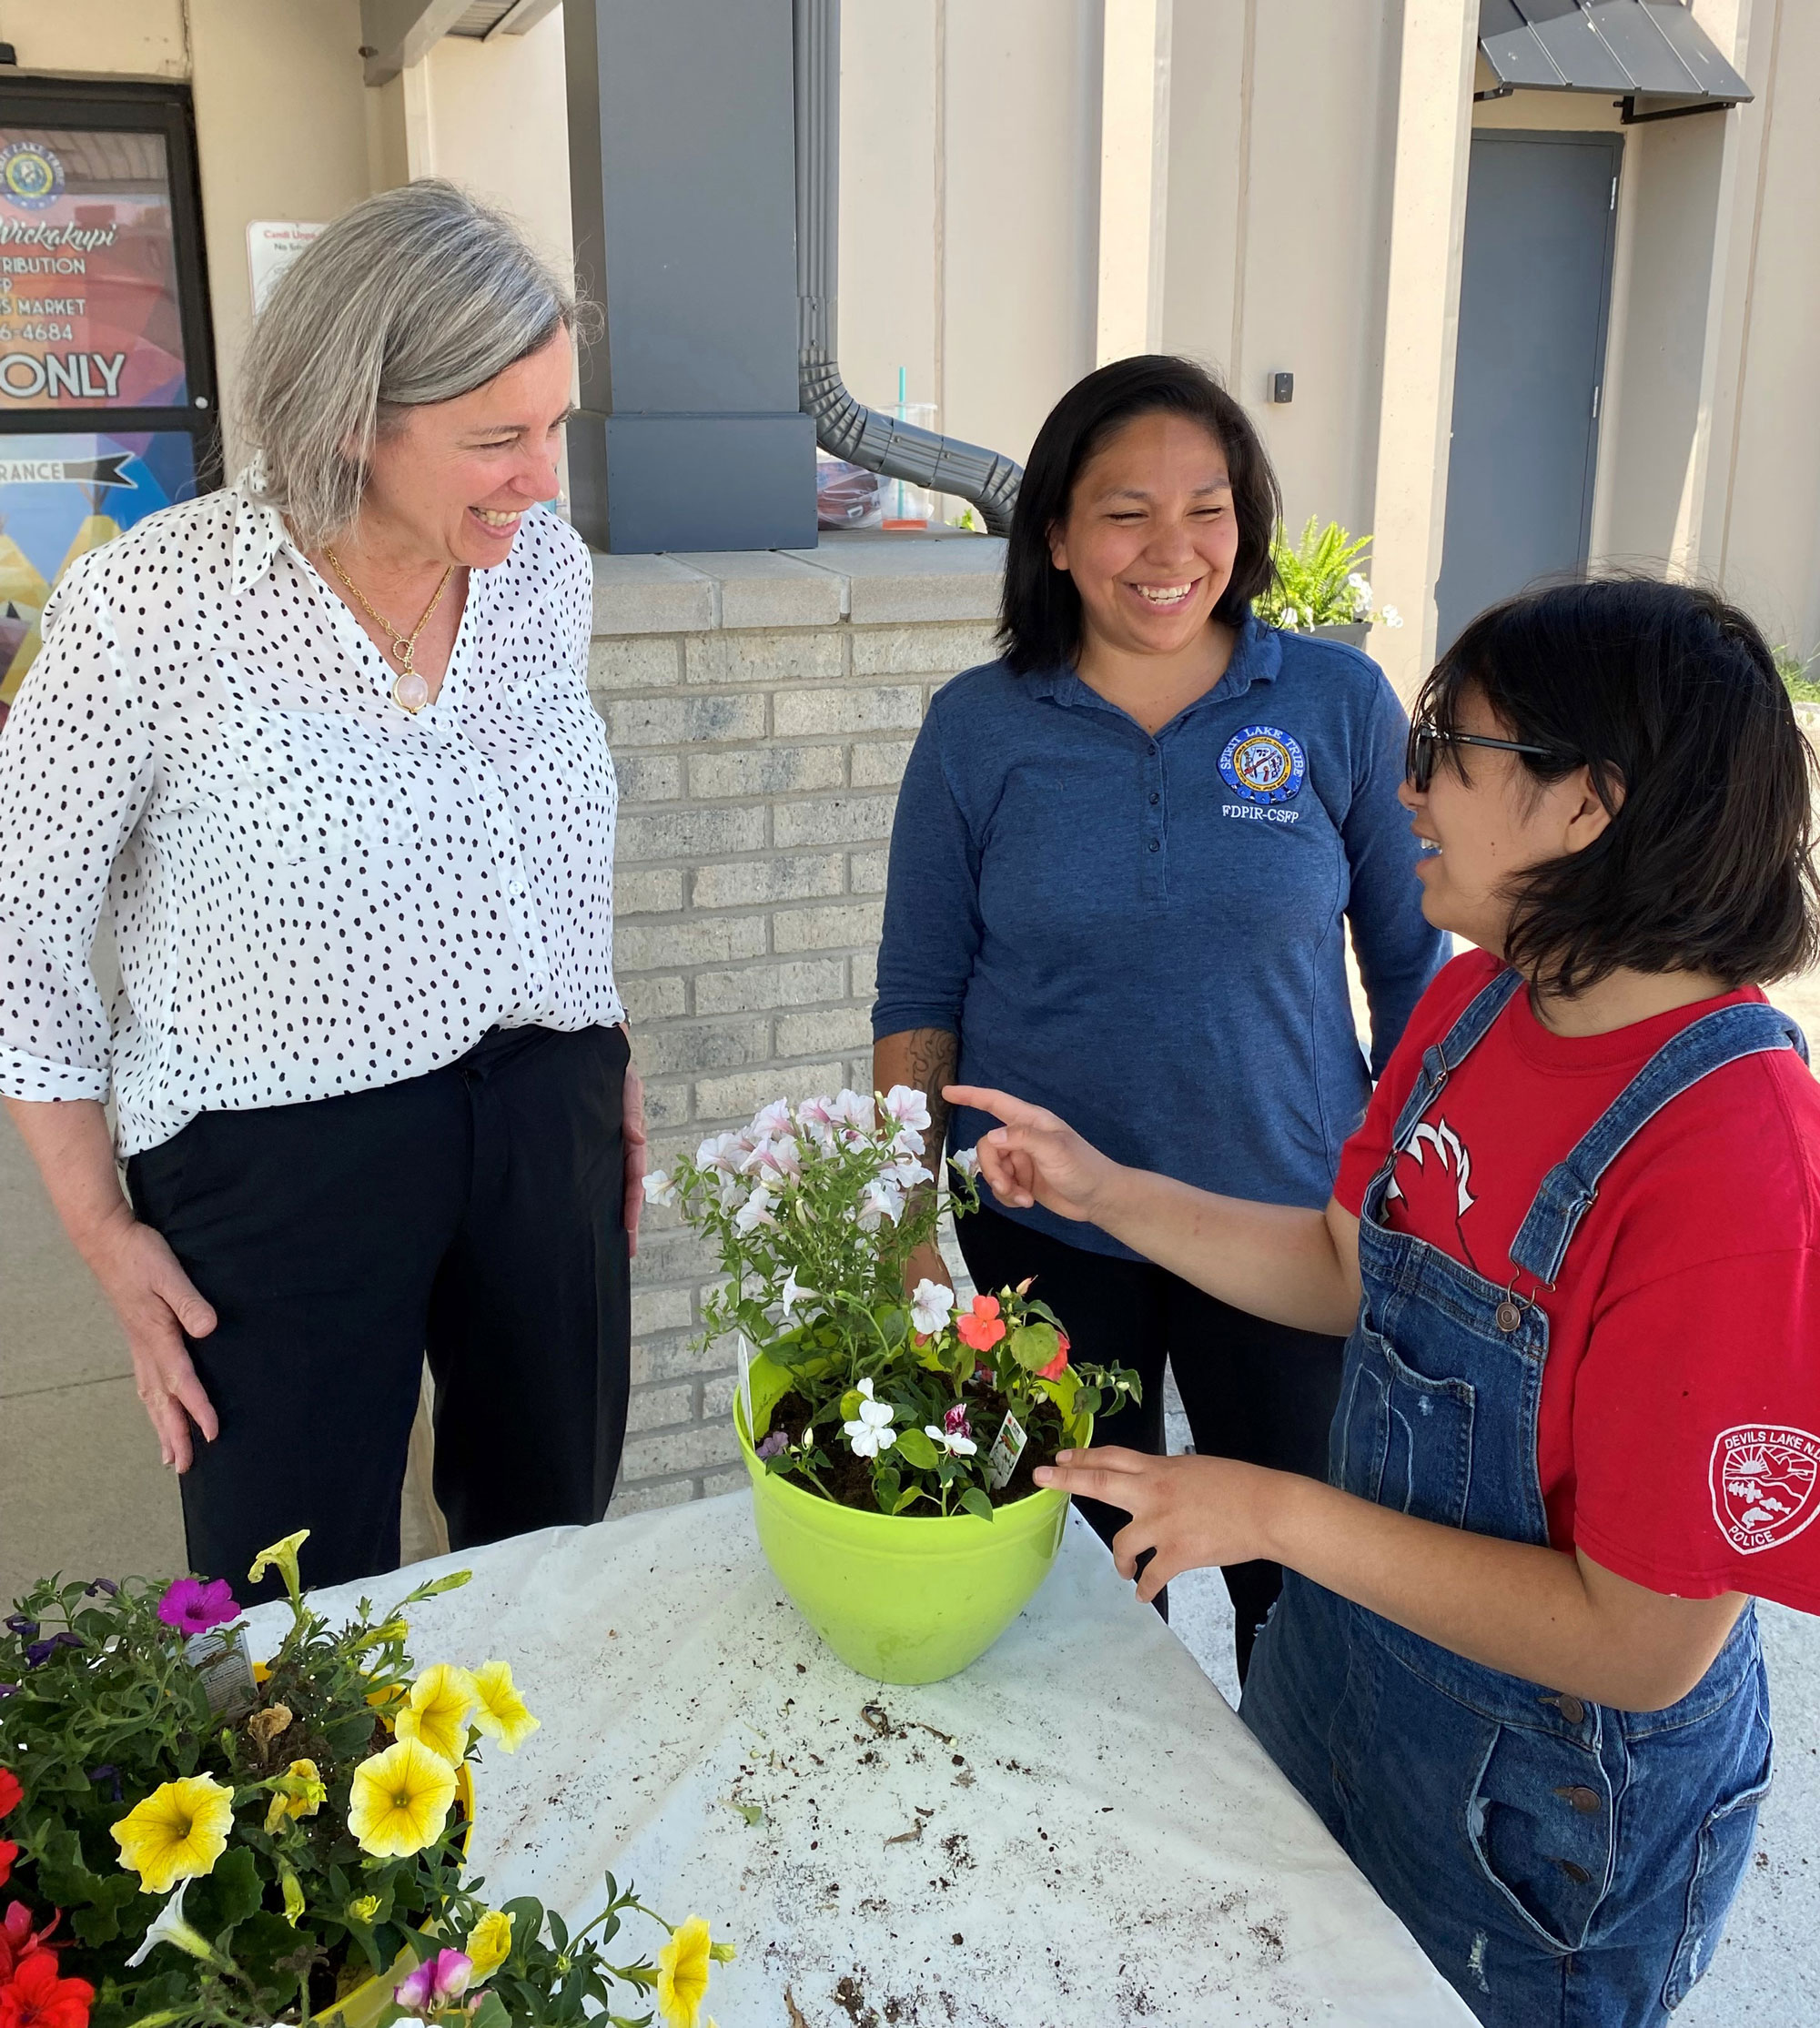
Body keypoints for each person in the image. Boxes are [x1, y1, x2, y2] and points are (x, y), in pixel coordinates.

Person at [954, 577, 1820, 2027]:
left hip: (1542, 1816)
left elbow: (1641, 1643)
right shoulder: (1475, 1001)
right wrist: (1104, 1189)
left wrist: (1271, 1512)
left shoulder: (1736, 1157)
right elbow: (1349, 1265)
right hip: (1343, 1678)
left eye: (1452, 745)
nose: (1406, 782)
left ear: (1586, 805)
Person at [0, 182, 643, 1599]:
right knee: (290, 1593)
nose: (543, 478)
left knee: (551, 1544)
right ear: (354, 415)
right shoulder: (155, 604)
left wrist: (605, 1057)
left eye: (555, 427)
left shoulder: (544, 574)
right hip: (272, 1154)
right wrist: (104, 1233)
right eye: (496, 439)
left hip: (545, 1108)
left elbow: (548, 829)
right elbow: (18, 935)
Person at [871, 355, 1443, 1677]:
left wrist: (1416, 1202)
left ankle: (1289, 1852)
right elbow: (919, 998)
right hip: (1044, 1228)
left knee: (1294, 1593)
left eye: (1210, 506)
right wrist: (905, 1235)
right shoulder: (977, 730)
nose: (1172, 548)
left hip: (1291, 1225)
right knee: (1073, 1587)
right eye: (1127, 511)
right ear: (1058, 537)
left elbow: (1419, 973)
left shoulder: (1333, 704)